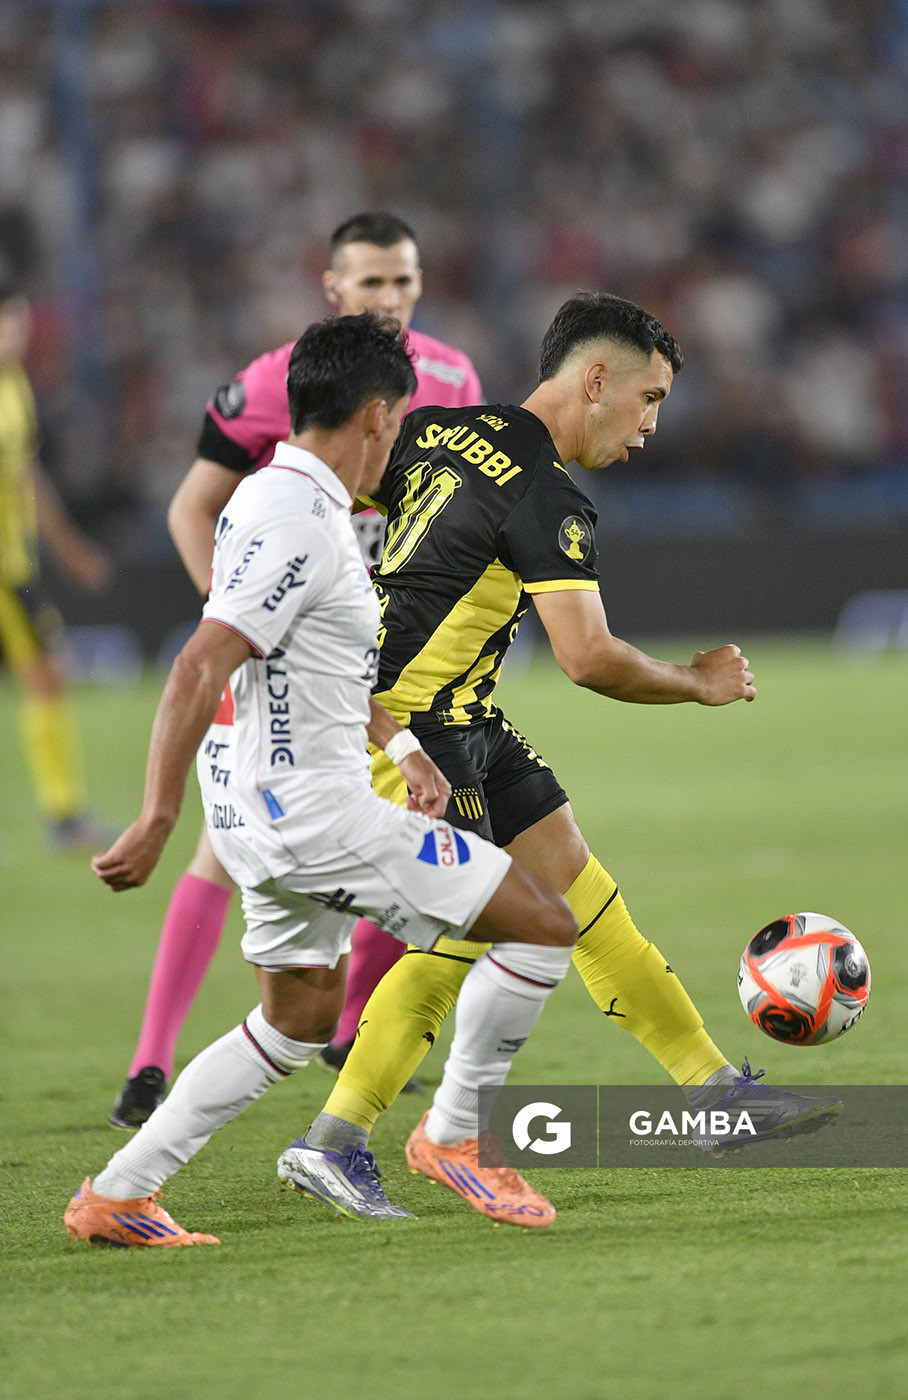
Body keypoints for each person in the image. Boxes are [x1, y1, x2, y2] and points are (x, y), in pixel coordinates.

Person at [279, 292, 843, 1223]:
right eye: (648, 398)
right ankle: (334, 1141)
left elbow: (345, 500)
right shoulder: (545, 495)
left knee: (576, 886)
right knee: (464, 935)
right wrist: (696, 682)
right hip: (412, 736)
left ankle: (713, 1094)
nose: (651, 426)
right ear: (594, 381)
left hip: (460, 716)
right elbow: (588, 660)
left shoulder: (434, 429)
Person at [64, 314, 577, 1247]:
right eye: (404, 420)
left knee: (298, 1017)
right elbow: (197, 666)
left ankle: (120, 1192)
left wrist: (408, 751)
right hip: (311, 812)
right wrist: (154, 817)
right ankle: (456, 1137)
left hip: (268, 808)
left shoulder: (275, 501)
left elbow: (307, 663)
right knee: (545, 925)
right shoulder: (302, 522)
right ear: (377, 415)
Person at [109, 212, 483, 1129]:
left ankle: (346, 1031)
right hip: (294, 639)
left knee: (396, 823)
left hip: (388, 648)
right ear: (333, 289)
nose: (388, 300)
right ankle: (152, 1060)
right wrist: (243, 618)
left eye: (402, 281)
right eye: (369, 285)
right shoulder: (279, 385)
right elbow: (191, 508)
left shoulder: (452, 377)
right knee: (231, 845)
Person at [0, 282, 113, 851]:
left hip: (11, 568)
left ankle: (64, 815)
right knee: (48, 675)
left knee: (49, 675)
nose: (13, 332)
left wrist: (69, 549)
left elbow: (27, 477)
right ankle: (64, 815)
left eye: (16, 319)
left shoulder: (14, 386)